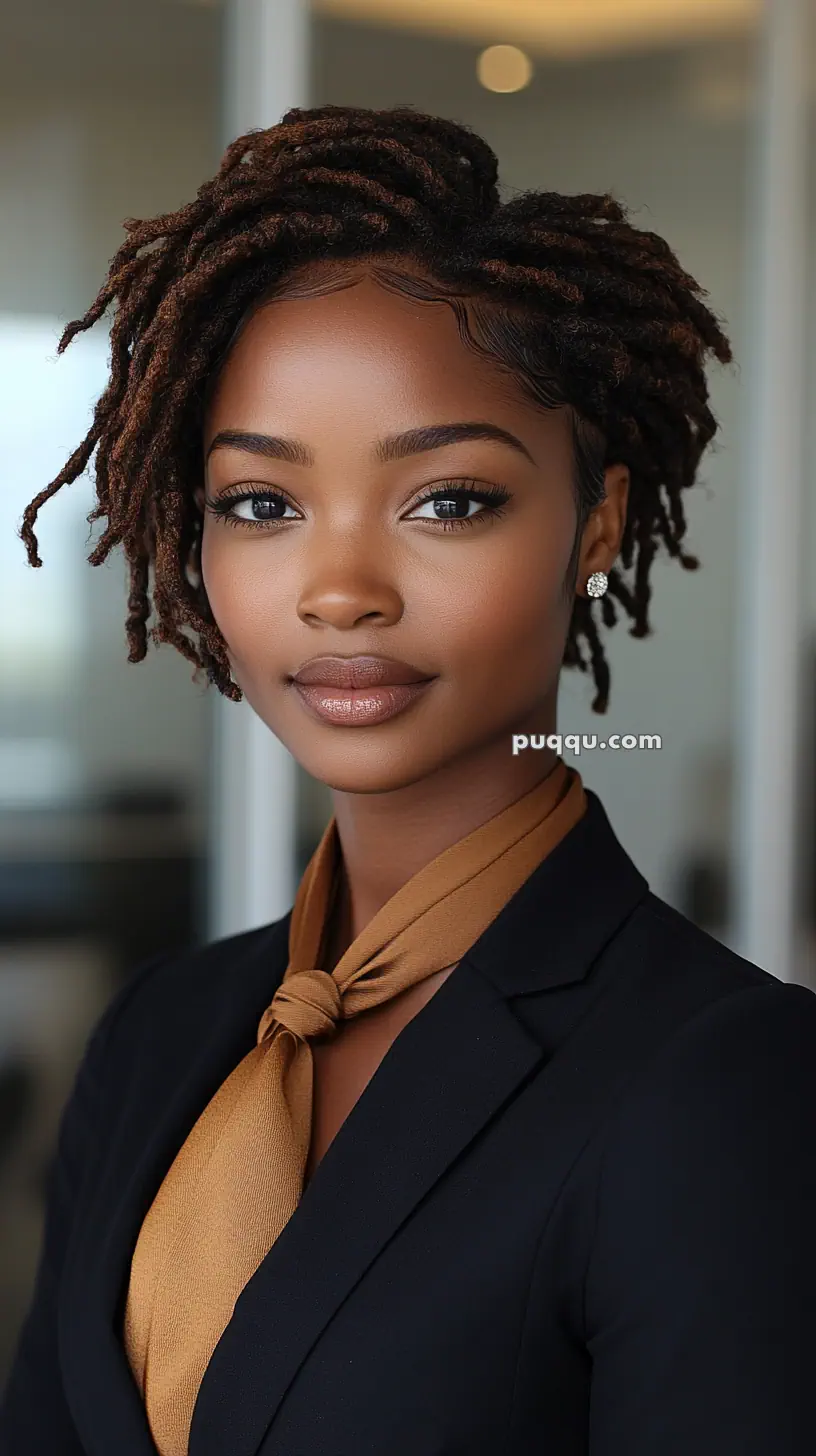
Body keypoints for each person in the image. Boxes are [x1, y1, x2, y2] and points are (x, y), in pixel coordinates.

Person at [2, 103, 815, 1456]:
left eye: (448, 499)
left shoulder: (726, 1080)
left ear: (597, 520)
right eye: (261, 505)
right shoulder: (158, 1035)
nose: (339, 591)